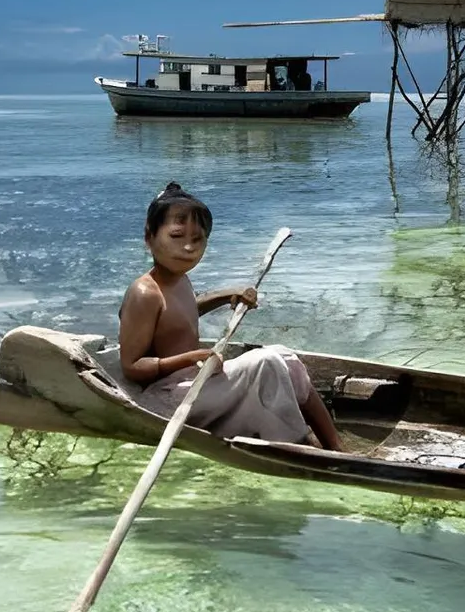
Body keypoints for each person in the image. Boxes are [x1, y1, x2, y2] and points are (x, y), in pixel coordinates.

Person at [119, 182, 344, 451]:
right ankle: (297, 445)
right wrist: (191, 358)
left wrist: (228, 295)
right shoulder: (144, 292)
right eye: (177, 236)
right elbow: (132, 366)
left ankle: (336, 447)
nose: (189, 247)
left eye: (198, 239)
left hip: (196, 381)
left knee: (284, 356)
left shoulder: (179, 280)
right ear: (149, 237)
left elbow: (183, 312)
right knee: (267, 363)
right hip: (167, 399)